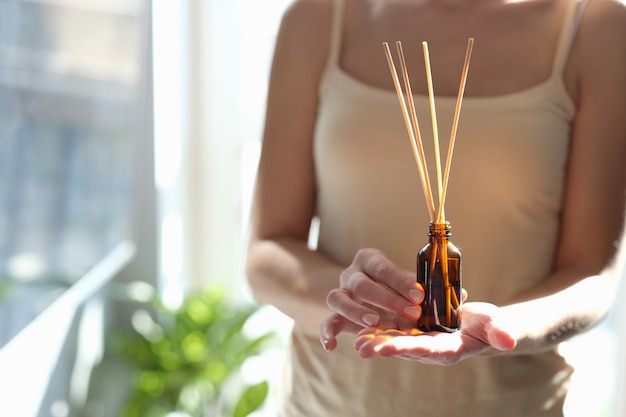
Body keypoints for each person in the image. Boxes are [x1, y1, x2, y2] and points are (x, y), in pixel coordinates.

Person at [245, 0, 626, 415]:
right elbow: (267, 250)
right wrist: (351, 298)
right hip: (322, 404)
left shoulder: (598, 26)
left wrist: (506, 326)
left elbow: (591, 273)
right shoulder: (317, 18)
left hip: (511, 404)